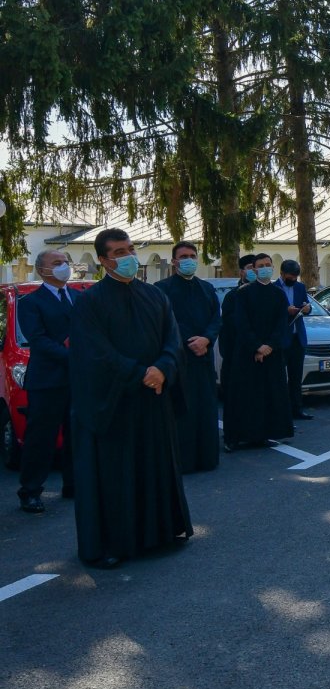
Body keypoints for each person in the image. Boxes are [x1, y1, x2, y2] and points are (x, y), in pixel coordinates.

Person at [70, 228, 192, 568]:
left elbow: (173, 338)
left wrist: (164, 368)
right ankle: (113, 544)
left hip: (154, 400)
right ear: (103, 260)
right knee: (116, 475)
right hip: (117, 405)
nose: (128, 257)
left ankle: (161, 532)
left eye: (130, 249)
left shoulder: (155, 296)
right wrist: (141, 372)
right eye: (119, 252)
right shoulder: (90, 302)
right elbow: (95, 354)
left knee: (155, 465)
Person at [15, 250, 76, 513]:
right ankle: (30, 491)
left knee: (77, 435)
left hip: (77, 380)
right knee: (41, 438)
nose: (63, 267)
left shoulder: (80, 298)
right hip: (47, 381)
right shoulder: (31, 302)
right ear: (42, 270)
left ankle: (73, 484)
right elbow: (38, 341)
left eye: (65, 262)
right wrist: (72, 354)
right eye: (57, 263)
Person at [155, 241, 222, 473]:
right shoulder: (161, 288)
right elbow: (167, 321)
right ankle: (182, 461)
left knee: (205, 408)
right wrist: (189, 342)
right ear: (174, 261)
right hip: (178, 360)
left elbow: (216, 318)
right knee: (183, 411)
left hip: (203, 359)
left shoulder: (206, 288)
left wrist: (206, 339)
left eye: (192, 256)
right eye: (183, 256)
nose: (189, 260)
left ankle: (207, 458)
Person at [223, 254, 293, 449]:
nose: (264, 268)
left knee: (269, 395)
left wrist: (269, 346)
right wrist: (256, 346)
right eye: (260, 266)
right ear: (253, 269)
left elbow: (282, 323)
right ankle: (235, 438)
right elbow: (241, 323)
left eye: (268, 265)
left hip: (271, 354)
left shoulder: (279, 294)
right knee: (243, 396)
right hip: (247, 354)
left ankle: (265, 434)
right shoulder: (242, 294)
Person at [273, 260, 313, 420]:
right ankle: (281, 411)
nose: (293, 280)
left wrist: (307, 308)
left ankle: (297, 409)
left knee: (296, 377)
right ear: (282, 274)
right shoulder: (273, 288)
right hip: (281, 338)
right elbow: (269, 312)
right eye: (290, 277)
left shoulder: (300, 287)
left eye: (296, 277)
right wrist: (285, 311)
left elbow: (306, 305)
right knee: (280, 378)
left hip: (298, 338)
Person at [219, 254, 258, 393]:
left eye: (256, 268)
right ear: (242, 272)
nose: (254, 271)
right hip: (238, 353)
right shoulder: (232, 296)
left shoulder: (268, 294)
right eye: (250, 268)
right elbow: (229, 326)